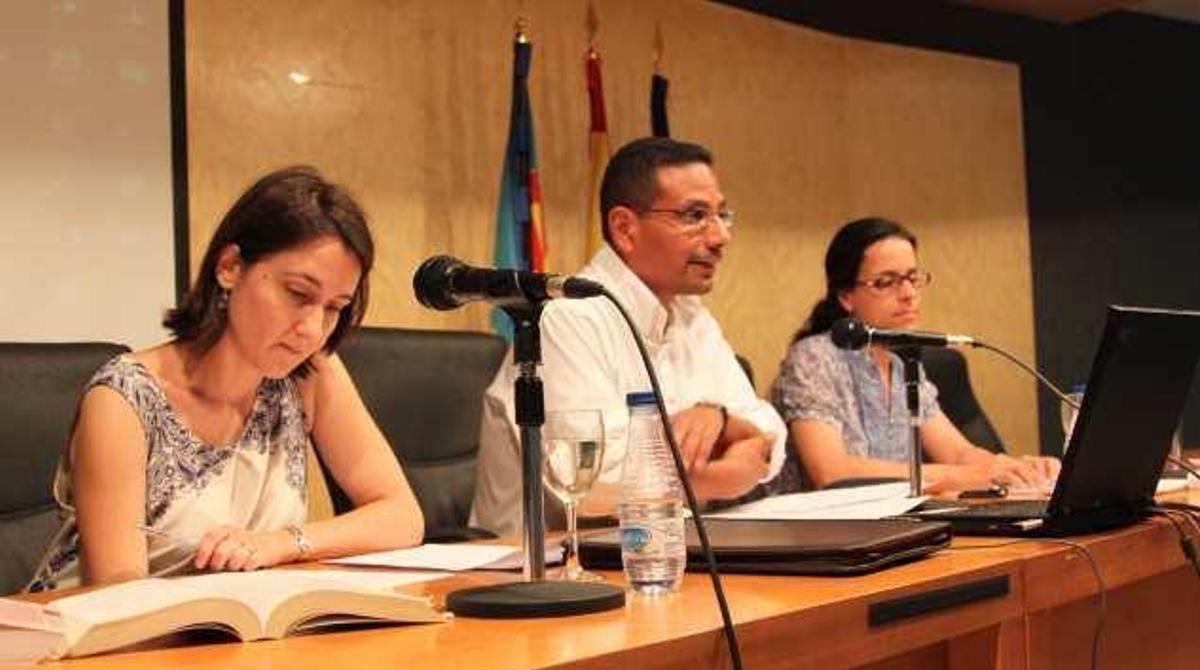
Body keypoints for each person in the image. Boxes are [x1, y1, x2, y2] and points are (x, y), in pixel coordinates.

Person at [29, 166, 424, 590]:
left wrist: (284, 543)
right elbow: (117, 596)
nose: (312, 330)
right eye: (298, 294)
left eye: (334, 308)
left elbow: (402, 516)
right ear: (230, 267)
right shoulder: (125, 399)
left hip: (239, 621)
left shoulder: (310, 373)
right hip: (96, 628)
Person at [471, 137, 786, 538]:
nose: (720, 236)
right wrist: (721, 478)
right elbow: (593, 482)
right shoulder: (569, 317)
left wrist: (721, 422)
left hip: (661, 547)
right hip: (545, 561)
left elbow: (770, 432)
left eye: (722, 214)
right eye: (695, 215)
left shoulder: (692, 318)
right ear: (624, 228)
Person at [769, 216, 1059, 493]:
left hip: (891, 520)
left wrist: (1017, 468)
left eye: (912, 277)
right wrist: (967, 476)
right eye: (886, 282)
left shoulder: (901, 363)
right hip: (820, 524)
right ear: (846, 296)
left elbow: (958, 453)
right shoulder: (813, 358)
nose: (908, 293)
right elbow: (832, 472)